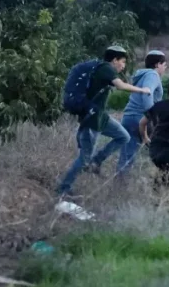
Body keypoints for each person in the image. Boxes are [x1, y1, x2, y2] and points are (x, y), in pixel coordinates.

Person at [58, 45, 151, 196]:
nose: (123, 66)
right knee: (84, 158)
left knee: (124, 136)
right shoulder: (106, 68)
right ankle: (63, 189)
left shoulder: (102, 70)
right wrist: (142, 90)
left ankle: (96, 161)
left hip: (100, 116)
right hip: (92, 119)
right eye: (122, 62)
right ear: (114, 60)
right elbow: (120, 86)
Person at [117, 50, 168, 176]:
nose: (165, 68)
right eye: (164, 64)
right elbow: (147, 94)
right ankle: (163, 180)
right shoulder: (153, 75)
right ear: (157, 64)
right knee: (161, 151)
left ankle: (120, 183)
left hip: (129, 117)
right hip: (141, 118)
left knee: (127, 156)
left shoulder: (142, 75)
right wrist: (153, 118)